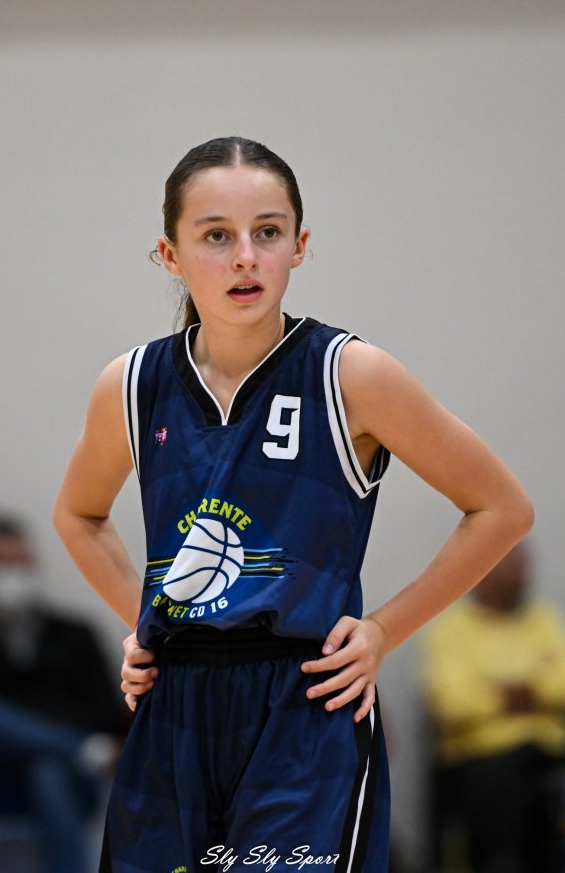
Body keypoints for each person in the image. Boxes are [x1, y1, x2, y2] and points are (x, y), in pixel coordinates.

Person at [53, 135, 533, 873]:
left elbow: (501, 507)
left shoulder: (350, 374)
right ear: (170, 254)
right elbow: (78, 516)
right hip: (173, 709)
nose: (245, 256)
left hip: (304, 707)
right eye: (217, 235)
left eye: (268, 232)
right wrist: (149, 621)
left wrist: (382, 630)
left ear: (299, 245)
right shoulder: (132, 383)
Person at [0, 514, 129, 873]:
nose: (10, 573)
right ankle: (82, 750)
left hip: (71, 780)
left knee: (46, 770)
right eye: (0, 563)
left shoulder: (75, 635)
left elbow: (107, 712)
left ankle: (72, 750)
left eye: (18, 562)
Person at [421, 542, 565, 873]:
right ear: (484, 571)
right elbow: (452, 705)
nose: (521, 577)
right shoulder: (451, 628)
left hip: (548, 755)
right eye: (512, 568)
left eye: (523, 568)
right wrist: (535, 687)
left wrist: (494, 690)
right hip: (482, 763)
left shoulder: (544, 620)